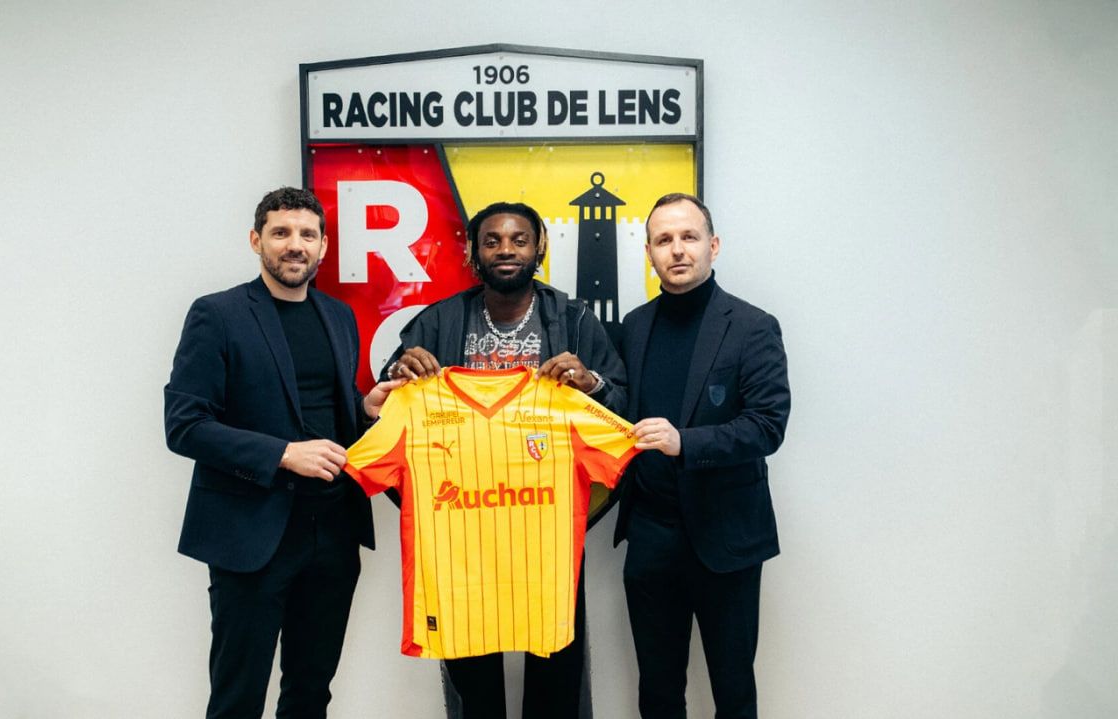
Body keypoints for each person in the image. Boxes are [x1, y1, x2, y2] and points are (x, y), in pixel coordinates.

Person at [382, 201, 627, 719]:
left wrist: (592, 385)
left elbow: (622, 410)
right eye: (491, 241)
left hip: (547, 529)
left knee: (556, 667)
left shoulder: (575, 320)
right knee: (471, 674)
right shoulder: (440, 320)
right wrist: (401, 374)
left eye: (519, 239)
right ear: (473, 254)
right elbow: (384, 412)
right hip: (462, 533)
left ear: (540, 248)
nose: (506, 250)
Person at [164, 186, 398, 719]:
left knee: (310, 694)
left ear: (323, 246)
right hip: (253, 535)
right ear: (256, 240)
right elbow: (185, 425)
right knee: (237, 699)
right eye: (281, 233)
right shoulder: (217, 314)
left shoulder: (338, 316)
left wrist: (364, 410)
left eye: (307, 235)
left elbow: (325, 413)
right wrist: (283, 454)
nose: (295, 245)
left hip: (333, 532)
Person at [615, 192, 791, 719]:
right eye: (664, 240)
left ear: (712, 246)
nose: (677, 249)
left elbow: (767, 426)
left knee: (733, 693)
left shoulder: (753, 326)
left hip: (727, 536)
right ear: (649, 252)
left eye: (689, 237)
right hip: (651, 536)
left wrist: (684, 442)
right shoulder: (634, 326)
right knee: (658, 692)